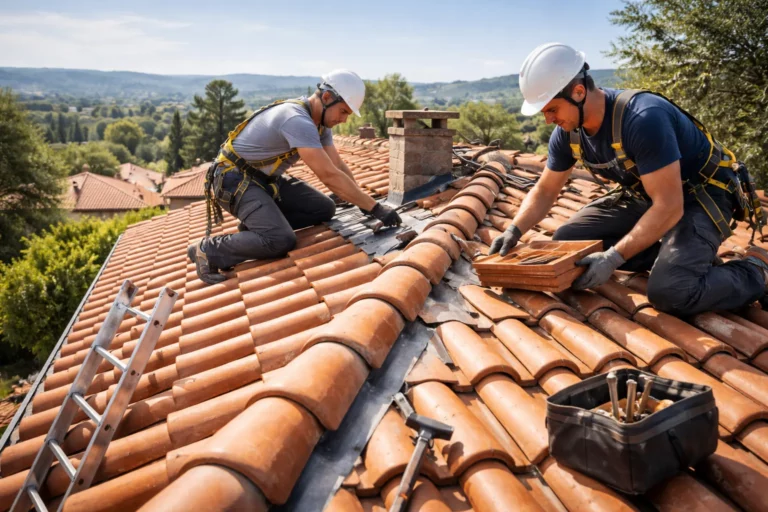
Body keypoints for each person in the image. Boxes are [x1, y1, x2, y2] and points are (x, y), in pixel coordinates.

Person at [489, 42, 767, 316]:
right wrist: (515, 229)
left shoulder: (643, 118)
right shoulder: (567, 134)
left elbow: (670, 206)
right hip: (648, 194)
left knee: (671, 292)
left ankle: (756, 270)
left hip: (701, 195)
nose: (548, 120)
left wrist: (613, 258)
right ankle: (679, 257)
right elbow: (546, 190)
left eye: (552, 109)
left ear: (578, 92)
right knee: (570, 243)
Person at [188, 69, 401, 284]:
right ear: (327, 97)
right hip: (233, 181)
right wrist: (376, 208)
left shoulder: (320, 124)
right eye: (343, 111)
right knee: (280, 239)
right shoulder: (296, 119)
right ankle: (208, 250)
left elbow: (337, 165)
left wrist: (362, 201)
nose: (344, 119)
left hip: (265, 181)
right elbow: (328, 175)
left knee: (325, 208)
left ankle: (259, 226)